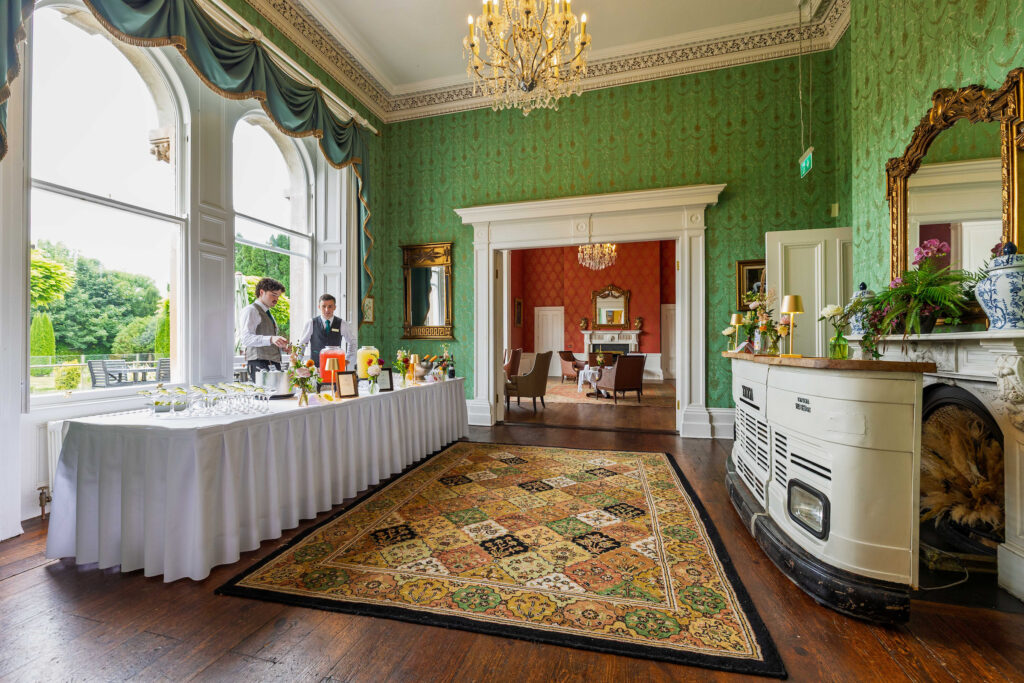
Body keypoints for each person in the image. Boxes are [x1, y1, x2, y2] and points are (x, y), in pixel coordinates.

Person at [239, 277, 289, 382]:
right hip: (259, 362)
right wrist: (271, 339)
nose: (276, 299)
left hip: (273, 363)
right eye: (273, 295)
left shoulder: (268, 313)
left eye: (278, 296)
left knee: (276, 396)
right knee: (266, 396)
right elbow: (246, 339)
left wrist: (282, 346)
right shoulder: (251, 310)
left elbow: (268, 339)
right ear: (262, 292)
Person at [296, 293, 356, 368]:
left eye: (330, 306)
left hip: (335, 367)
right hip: (316, 368)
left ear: (334, 307)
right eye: (324, 306)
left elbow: (353, 342)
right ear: (319, 307)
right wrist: (297, 364)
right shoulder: (311, 323)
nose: (327, 310)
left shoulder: (342, 323)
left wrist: (347, 359)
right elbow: (302, 344)